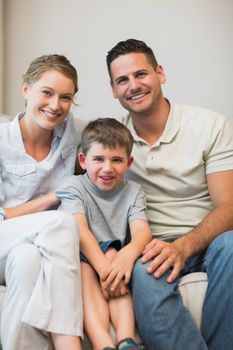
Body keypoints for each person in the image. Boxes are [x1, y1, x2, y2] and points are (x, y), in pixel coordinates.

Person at [106, 38, 233, 350]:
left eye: (141, 74)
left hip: (210, 240)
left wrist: (182, 246)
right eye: (122, 80)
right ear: (113, 90)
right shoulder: (112, 141)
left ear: (160, 73)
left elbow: (229, 206)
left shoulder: (209, 125)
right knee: (141, 267)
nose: (133, 86)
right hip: (151, 248)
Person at [0, 54, 85, 350]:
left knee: (27, 262)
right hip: (2, 238)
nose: (55, 106)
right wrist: (50, 200)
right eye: (46, 92)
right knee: (61, 221)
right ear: (26, 90)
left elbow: (112, 141)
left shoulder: (75, 133)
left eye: (66, 97)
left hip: (35, 248)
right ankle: (68, 343)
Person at [56, 118, 152, 350]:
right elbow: (79, 230)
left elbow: (142, 232)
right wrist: (104, 267)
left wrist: (126, 256)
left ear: (128, 162)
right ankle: (102, 344)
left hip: (115, 257)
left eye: (117, 160)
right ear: (83, 160)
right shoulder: (73, 186)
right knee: (91, 267)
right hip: (82, 254)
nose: (107, 168)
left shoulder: (133, 191)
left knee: (113, 254)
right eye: (98, 159)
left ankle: (126, 341)